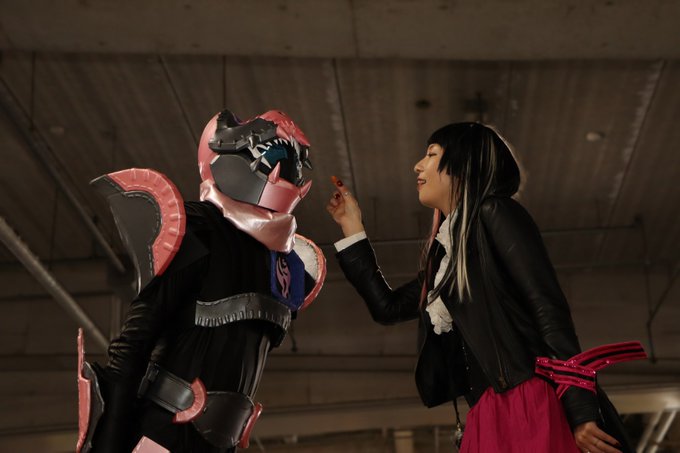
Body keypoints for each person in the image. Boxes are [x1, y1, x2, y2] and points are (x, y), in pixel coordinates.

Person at [326, 122, 635, 453]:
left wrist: (582, 410)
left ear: (464, 164)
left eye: (432, 154)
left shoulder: (495, 211)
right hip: (486, 413)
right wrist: (351, 226)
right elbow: (386, 308)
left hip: (529, 399)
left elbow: (547, 308)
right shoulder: (446, 255)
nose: (418, 165)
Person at [77, 109, 325, 453]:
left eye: (292, 161)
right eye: (274, 157)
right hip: (161, 434)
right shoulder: (197, 228)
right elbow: (133, 345)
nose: (286, 170)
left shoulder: (291, 265)